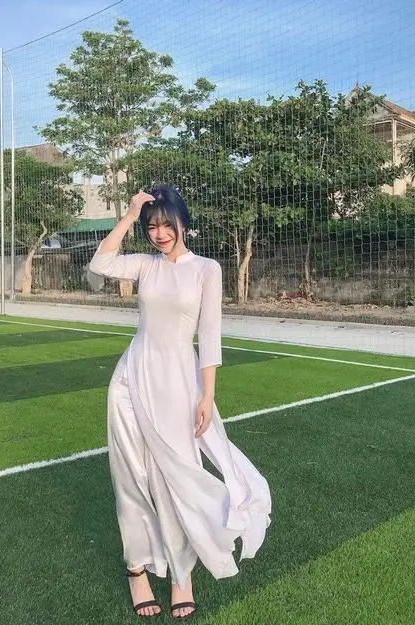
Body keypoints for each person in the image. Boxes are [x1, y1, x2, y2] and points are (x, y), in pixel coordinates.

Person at [89, 185, 271, 619]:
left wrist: (208, 395)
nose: (160, 233)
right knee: (131, 477)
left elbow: (209, 336)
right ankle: (137, 569)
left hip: (179, 383)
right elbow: (100, 263)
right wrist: (130, 215)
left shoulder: (207, 269)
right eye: (152, 227)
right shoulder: (145, 265)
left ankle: (180, 575)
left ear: (183, 224)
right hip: (131, 380)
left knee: (178, 477)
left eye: (167, 225)